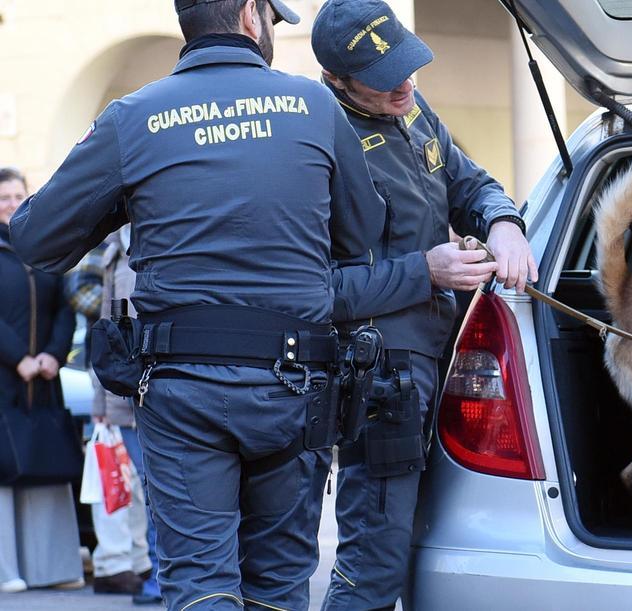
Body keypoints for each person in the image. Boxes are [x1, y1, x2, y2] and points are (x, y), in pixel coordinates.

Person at [8, 0, 388, 608]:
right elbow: (363, 232)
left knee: (199, 586)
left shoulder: (132, 117)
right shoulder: (313, 106)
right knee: (279, 585)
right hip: (296, 389)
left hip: (183, 389)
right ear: (247, 14)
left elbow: (34, 237)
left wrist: (125, 200)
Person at [310, 1, 536, 608]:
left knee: (427, 552)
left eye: (408, 65)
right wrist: (423, 271)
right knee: (375, 562)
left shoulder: (414, 110)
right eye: (386, 77)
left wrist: (504, 222)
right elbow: (312, 291)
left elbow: (472, 184)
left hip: (443, 355)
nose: (405, 84)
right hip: (381, 377)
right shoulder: (317, 139)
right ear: (338, 79)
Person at [65, 226, 163, 605]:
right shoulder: (111, 256)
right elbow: (105, 338)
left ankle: (169, 572)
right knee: (148, 489)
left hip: (164, 388)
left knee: (166, 487)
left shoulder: (166, 246)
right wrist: (101, 407)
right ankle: (156, 572)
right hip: (125, 398)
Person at [0, 166, 84, 593]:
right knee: (5, 468)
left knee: (46, 464)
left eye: (17, 196)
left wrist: (53, 354)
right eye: (3, 198)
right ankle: (6, 569)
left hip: (44, 380)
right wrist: (19, 359)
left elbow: (66, 307)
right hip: (5, 381)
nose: (11, 204)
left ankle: (52, 567)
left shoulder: (44, 247)